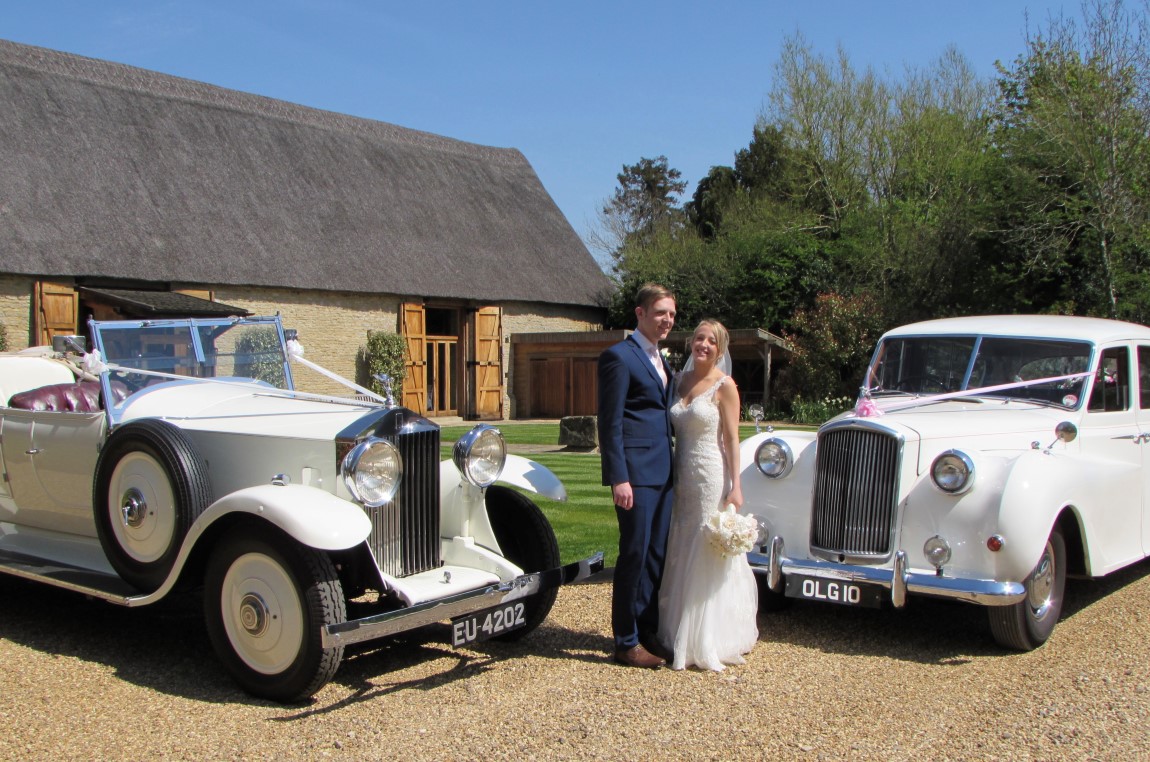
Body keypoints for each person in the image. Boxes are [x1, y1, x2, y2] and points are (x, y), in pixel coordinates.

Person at [657, 319, 758, 671]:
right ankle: (673, 629)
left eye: (711, 341)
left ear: (720, 348)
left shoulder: (724, 386)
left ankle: (704, 637)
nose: (703, 345)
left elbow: (731, 438)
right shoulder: (678, 381)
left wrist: (737, 486)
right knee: (680, 542)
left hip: (709, 475)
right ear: (691, 343)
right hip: (679, 476)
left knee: (703, 546)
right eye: (699, 338)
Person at [597, 283, 677, 668]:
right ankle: (625, 641)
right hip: (636, 475)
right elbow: (609, 423)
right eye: (661, 312)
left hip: (664, 474)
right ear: (640, 313)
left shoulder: (662, 360)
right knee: (634, 554)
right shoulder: (619, 357)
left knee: (655, 557)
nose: (667, 320)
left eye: (672, 315)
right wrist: (619, 478)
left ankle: (647, 631)